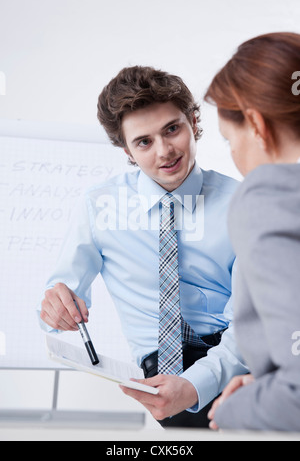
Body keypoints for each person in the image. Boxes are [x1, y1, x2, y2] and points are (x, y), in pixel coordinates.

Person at [38, 66, 247, 428]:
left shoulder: (243, 204)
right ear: (126, 150)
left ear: (194, 122)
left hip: (238, 362)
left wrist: (195, 385)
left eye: (172, 129)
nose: (165, 151)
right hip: (158, 376)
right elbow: (62, 292)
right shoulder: (99, 206)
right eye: (144, 142)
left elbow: (253, 322)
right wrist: (56, 305)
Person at [204, 32, 300, 431]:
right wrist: (268, 385)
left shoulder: (267, 197)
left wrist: (233, 412)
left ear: (257, 125)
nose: (234, 157)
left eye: (229, 140)